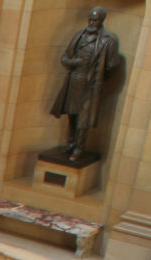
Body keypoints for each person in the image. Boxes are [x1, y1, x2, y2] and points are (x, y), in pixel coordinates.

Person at [50, 7, 121, 161]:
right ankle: (70, 143)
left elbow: (112, 65)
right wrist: (74, 62)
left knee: (84, 118)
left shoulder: (108, 41)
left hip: (91, 85)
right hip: (74, 79)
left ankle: (78, 147)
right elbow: (65, 58)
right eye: (90, 19)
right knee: (72, 113)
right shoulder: (79, 36)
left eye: (95, 20)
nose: (91, 22)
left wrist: (99, 78)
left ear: (102, 20)